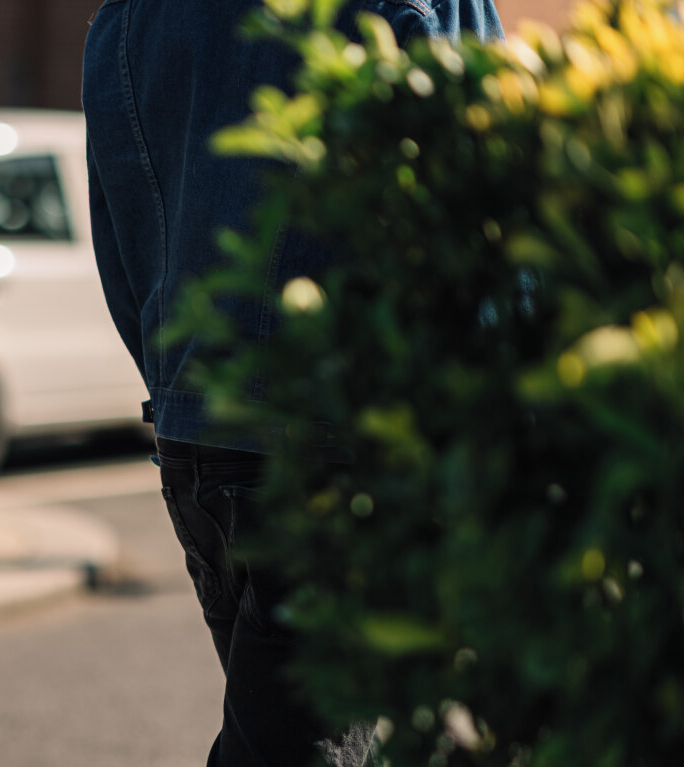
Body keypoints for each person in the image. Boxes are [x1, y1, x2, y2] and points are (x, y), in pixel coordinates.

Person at [82, 1, 502, 764]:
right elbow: (488, 210)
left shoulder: (131, 13)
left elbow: (122, 249)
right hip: (334, 448)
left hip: (196, 441)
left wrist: (185, 387)